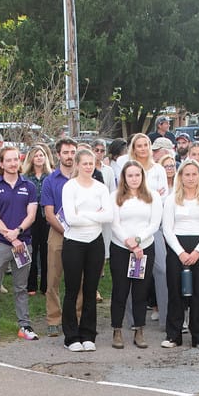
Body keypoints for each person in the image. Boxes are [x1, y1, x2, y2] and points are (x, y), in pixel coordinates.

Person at [0, 144, 39, 343]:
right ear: (2, 164)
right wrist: (10, 236)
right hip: (0, 243)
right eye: (9, 160)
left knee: (21, 287)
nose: (13, 163)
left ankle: (24, 325)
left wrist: (19, 232)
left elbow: (31, 215)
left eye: (16, 159)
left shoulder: (29, 186)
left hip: (24, 245)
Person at [58, 148, 113, 351]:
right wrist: (95, 213)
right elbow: (71, 219)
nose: (89, 166)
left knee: (91, 290)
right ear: (78, 165)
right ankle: (71, 336)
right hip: (73, 243)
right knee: (72, 289)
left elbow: (108, 216)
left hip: (95, 242)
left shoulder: (101, 188)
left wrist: (85, 214)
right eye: (85, 163)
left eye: (91, 163)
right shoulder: (70, 187)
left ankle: (88, 334)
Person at [105, 160, 161, 349]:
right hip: (121, 248)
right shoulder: (115, 196)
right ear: (124, 178)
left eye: (137, 175)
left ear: (142, 176)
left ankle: (139, 330)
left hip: (144, 248)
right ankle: (117, 330)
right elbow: (114, 223)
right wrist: (128, 242)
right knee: (120, 290)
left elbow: (154, 224)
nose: (134, 178)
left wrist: (137, 241)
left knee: (141, 291)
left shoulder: (152, 196)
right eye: (130, 175)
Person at [161, 159, 199, 350]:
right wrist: (181, 252)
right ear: (181, 177)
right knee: (175, 293)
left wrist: (196, 252)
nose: (191, 178)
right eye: (187, 174)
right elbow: (167, 229)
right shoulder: (171, 199)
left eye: (194, 174)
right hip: (177, 249)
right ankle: (173, 335)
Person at [39, 138, 76, 337]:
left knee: (79, 278)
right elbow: (48, 212)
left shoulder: (83, 178)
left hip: (81, 234)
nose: (69, 156)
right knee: (53, 277)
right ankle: (54, 318)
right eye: (66, 152)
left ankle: (77, 317)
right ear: (58, 155)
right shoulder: (50, 180)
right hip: (58, 231)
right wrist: (64, 230)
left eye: (72, 152)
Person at [24, 143, 53, 296]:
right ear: (31, 158)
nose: (39, 158)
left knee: (46, 252)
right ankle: (31, 285)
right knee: (32, 251)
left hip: (46, 217)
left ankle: (45, 285)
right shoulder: (25, 177)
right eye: (36, 155)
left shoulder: (51, 176)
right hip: (31, 217)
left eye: (41, 155)